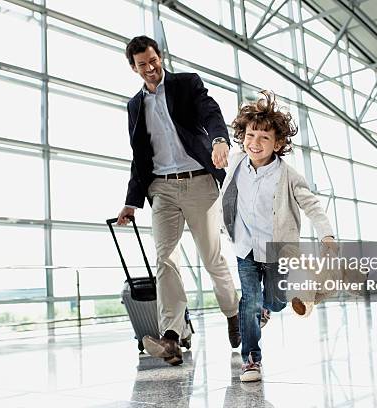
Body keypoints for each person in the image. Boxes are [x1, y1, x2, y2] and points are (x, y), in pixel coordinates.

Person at [116, 35, 240, 366]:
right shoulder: (134, 106)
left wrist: (218, 140)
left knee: (212, 258)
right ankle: (171, 336)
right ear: (134, 68)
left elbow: (210, 112)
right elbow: (139, 157)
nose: (150, 68)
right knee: (165, 260)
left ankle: (233, 313)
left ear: (160, 57)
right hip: (162, 188)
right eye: (142, 64)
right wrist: (131, 201)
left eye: (153, 60)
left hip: (199, 181)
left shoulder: (186, 84)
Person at [219, 91, 336, 382]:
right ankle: (251, 359)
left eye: (264, 138)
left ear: (279, 143)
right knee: (249, 298)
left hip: (276, 251)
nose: (254, 143)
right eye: (250, 135)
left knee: (275, 300)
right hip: (244, 247)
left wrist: (327, 236)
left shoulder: (289, 175)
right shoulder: (235, 162)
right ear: (242, 136)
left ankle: (277, 305)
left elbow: (312, 205)